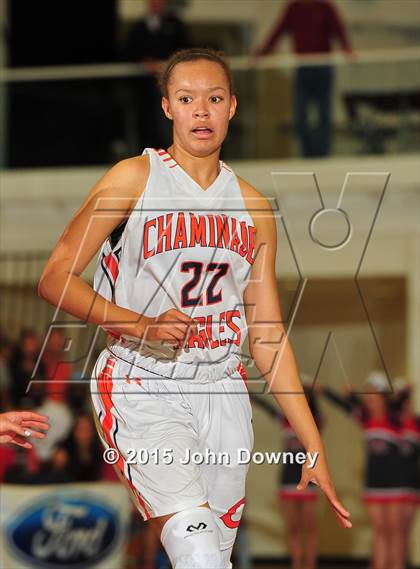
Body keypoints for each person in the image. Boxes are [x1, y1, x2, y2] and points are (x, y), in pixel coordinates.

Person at [38, 47, 351, 569]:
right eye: (187, 99)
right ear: (167, 108)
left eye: (214, 98)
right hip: (143, 381)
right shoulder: (134, 178)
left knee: (211, 560)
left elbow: (268, 334)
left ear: (232, 107)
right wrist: (141, 325)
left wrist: (312, 440)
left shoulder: (253, 209)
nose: (201, 110)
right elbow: (54, 278)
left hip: (223, 392)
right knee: (198, 550)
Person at [320, 372, 405, 569]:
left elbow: (403, 397)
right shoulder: (365, 419)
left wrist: (354, 396)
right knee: (380, 532)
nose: (370, 401)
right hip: (374, 484)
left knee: (396, 533)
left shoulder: (396, 419)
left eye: (374, 397)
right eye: (368, 398)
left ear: (384, 398)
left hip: (397, 485)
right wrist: (329, 392)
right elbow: (345, 406)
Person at [256, 0, 353, 157]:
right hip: (302, 69)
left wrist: (347, 49)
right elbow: (278, 31)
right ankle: (309, 154)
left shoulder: (325, 7)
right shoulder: (293, 8)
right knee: (299, 116)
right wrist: (262, 52)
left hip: (323, 67)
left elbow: (339, 31)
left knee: (324, 114)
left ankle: (323, 155)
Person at [253, 380, 322, 569]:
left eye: (303, 395)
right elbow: (268, 407)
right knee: (292, 527)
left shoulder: (315, 420)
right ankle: (296, 563)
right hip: (288, 478)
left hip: (308, 478)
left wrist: (316, 389)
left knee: (309, 527)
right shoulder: (285, 419)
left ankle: (310, 564)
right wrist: (248, 394)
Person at [124, 0, 189, 150]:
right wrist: (144, 62)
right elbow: (128, 52)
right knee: (145, 124)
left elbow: (185, 51)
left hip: (170, 85)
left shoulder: (176, 26)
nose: (156, 4)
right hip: (144, 88)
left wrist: (164, 64)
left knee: (169, 123)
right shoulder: (139, 27)